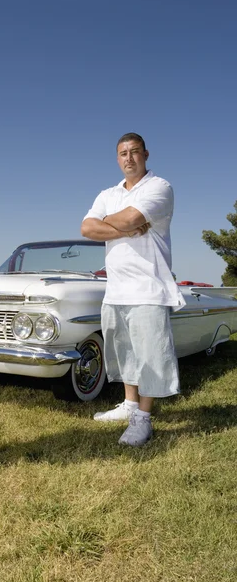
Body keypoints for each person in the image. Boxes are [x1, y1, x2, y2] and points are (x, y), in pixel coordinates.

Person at [81, 132, 185, 446]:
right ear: (117, 159)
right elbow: (87, 227)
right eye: (123, 153)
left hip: (149, 287)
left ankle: (143, 418)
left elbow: (134, 216)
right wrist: (124, 226)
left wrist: (113, 224)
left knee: (151, 355)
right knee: (125, 353)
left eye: (135, 152)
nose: (129, 158)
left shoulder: (159, 187)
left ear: (146, 154)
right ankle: (129, 405)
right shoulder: (108, 193)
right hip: (116, 289)